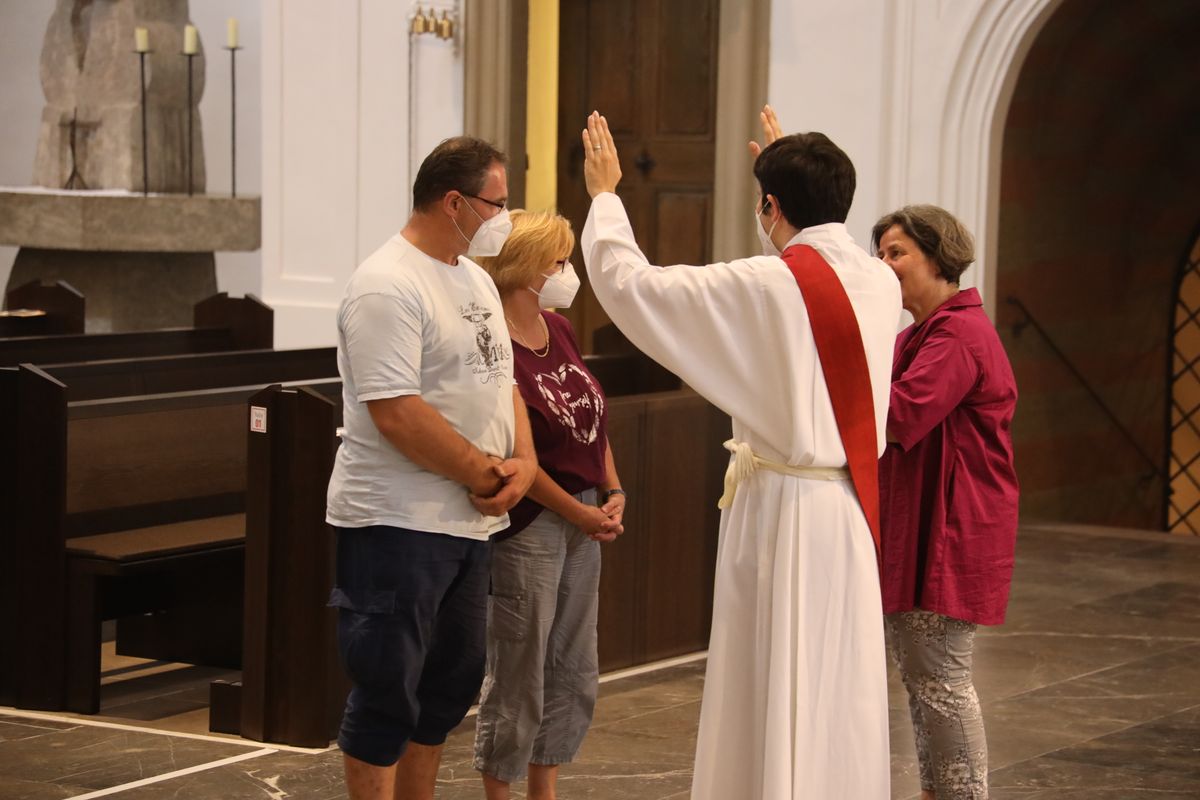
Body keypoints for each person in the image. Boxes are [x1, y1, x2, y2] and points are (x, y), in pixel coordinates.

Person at [578, 109, 901, 799]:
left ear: (770, 206)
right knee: (834, 686)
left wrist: (606, 197)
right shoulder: (882, 282)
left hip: (781, 508)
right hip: (846, 510)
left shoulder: (765, 283)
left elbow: (634, 287)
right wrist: (790, 169)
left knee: (769, 679)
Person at [325, 136, 537, 800]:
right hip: (396, 520)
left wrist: (523, 465)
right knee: (388, 685)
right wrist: (481, 473)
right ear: (454, 202)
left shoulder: (472, 276)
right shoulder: (386, 284)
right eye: (497, 204)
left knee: (450, 684)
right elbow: (396, 413)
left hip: (467, 525)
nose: (505, 218)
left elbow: (504, 383)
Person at [471, 209, 626, 800]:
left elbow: (590, 418)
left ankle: (546, 789)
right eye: (557, 262)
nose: (567, 272)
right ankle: (501, 792)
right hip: (533, 521)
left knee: (571, 664)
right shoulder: (493, 343)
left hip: (585, 512)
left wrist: (612, 490)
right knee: (519, 666)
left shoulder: (557, 328)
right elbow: (519, 455)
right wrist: (579, 511)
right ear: (523, 268)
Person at [873, 205, 1019, 800]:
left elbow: (899, 413)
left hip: (950, 531)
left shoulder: (959, 333)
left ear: (939, 257)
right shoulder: (919, 333)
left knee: (941, 680)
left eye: (897, 253)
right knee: (925, 677)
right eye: (879, 253)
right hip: (926, 525)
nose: (884, 265)